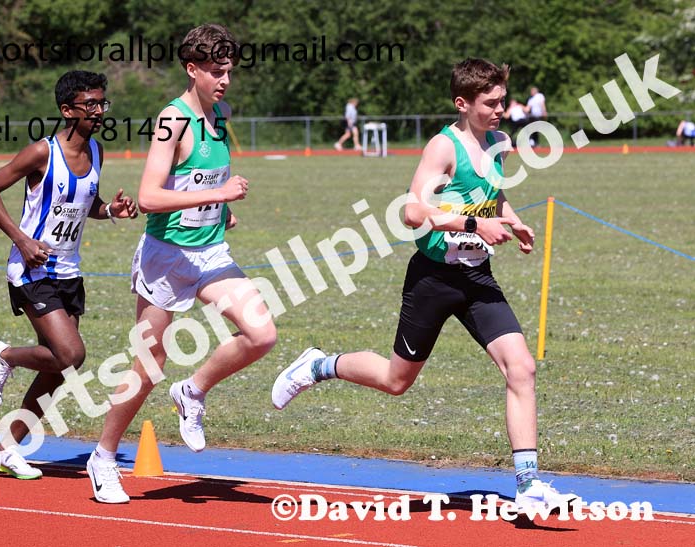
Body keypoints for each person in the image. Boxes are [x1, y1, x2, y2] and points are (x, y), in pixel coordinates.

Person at [273, 58, 575, 515]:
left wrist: (511, 221)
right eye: (491, 103)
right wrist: (475, 223)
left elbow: (494, 193)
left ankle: (528, 485)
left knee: (522, 368)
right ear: (462, 103)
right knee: (397, 381)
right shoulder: (443, 147)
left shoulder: (500, 143)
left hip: (476, 277)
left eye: (502, 101)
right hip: (433, 278)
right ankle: (320, 365)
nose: (501, 110)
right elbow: (413, 213)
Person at [85, 23, 277, 504]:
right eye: (215, 71)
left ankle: (192, 391)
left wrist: (219, 209)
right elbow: (149, 197)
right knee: (149, 366)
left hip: (210, 253)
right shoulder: (172, 120)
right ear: (192, 69)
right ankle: (103, 457)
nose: (224, 80)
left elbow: (197, 179)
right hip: (166, 258)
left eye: (229, 70)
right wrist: (221, 193)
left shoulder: (220, 114)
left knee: (262, 333)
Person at [0, 70, 137, 479]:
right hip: (32, 270)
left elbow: (86, 202)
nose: (99, 111)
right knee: (72, 355)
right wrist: (23, 240)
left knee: (59, 368)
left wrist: (109, 211)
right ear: (68, 110)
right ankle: (5, 354)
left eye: (103, 103)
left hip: (69, 271)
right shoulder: (41, 153)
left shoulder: (98, 152)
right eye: (91, 105)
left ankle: (6, 450)